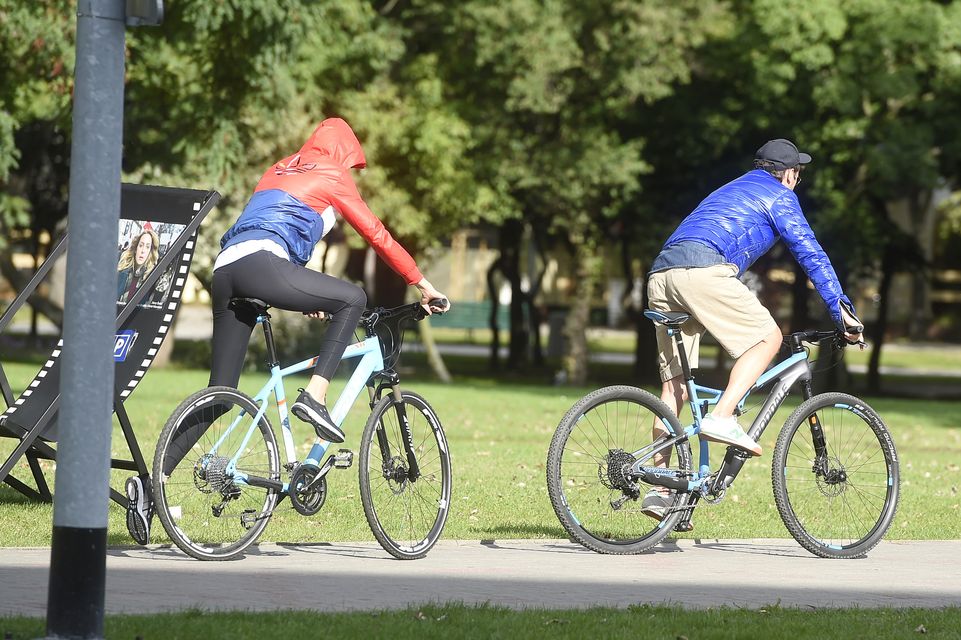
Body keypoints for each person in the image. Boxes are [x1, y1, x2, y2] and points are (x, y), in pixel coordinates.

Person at [641, 138, 862, 520]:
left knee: (674, 388)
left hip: (662, 274)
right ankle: (723, 416)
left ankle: (660, 490)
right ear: (789, 174)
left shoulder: (731, 187)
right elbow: (811, 254)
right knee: (767, 337)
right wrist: (843, 311)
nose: (797, 180)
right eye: (798, 173)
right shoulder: (780, 196)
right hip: (701, 272)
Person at [208, 117, 449, 444]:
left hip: (226, 267)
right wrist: (421, 283)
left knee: (218, 397)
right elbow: (376, 235)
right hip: (263, 262)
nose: (349, 171)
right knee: (353, 298)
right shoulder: (332, 172)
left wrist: (308, 295)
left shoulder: (278, 168)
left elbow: (282, 228)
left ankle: (158, 473)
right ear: (343, 152)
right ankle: (315, 396)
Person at [117, 228, 159, 304]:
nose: (143, 251)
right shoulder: (121, 269)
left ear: (150, 252)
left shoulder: (150, 278)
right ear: (136, 248)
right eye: (141, 245)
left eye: (147, 247)